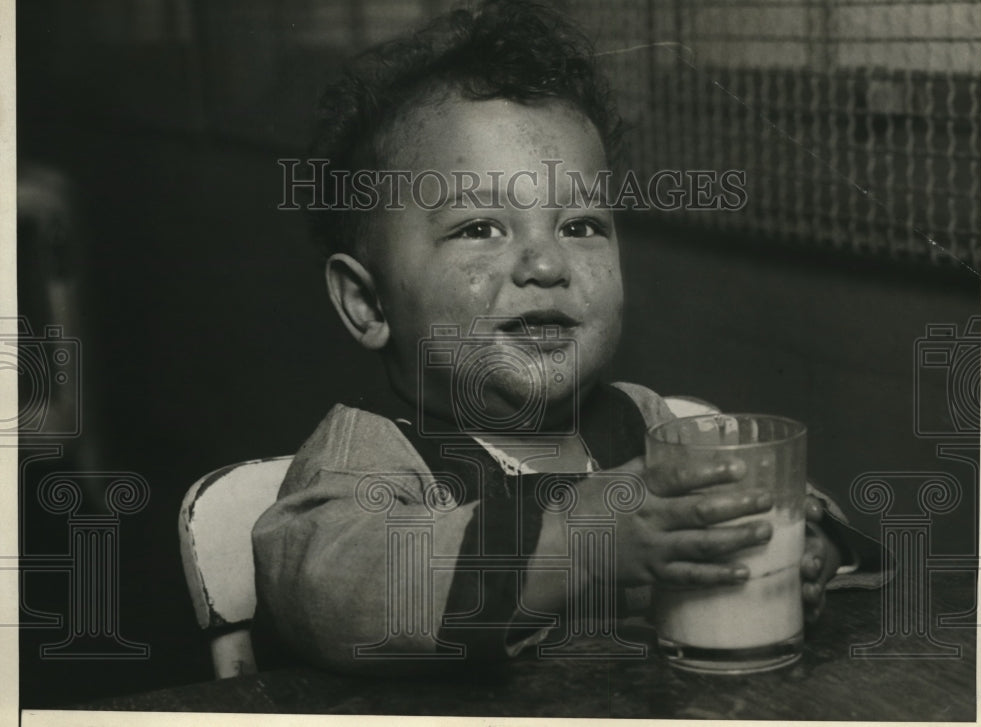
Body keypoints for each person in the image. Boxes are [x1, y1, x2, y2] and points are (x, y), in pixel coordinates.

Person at [252, 0, 883, 673]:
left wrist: (810, 545)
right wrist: (582, 542)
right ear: (367, 300)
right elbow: (336, 589)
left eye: (581, 225)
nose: (547, 265)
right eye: (478, 228)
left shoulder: (644, 423)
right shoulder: (367, 455)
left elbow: (806, 528)